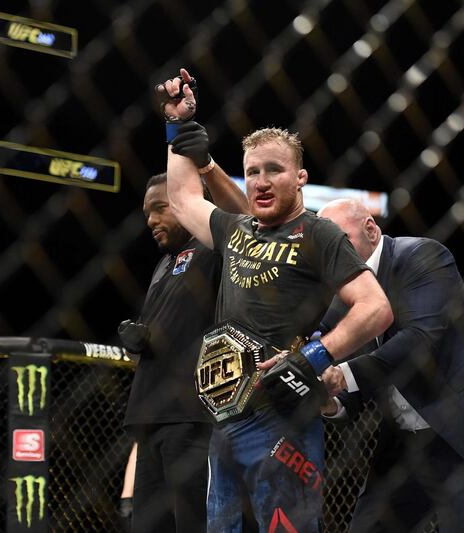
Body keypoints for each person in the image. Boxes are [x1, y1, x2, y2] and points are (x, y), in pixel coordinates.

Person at [162, 71, 393, 532]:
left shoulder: (318, 233)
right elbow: (183, 197)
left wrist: (312, 358)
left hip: (282, 416)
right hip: (227, 414)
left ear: (300, 176)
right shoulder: (235, 230)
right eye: (252, 172)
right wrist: (176, 126)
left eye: (274, 169)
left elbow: (375, 306)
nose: (261, 182)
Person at [316, 198, 464, 533]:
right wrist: (328, 400)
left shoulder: (422, 257)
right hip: (404, 444)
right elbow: (323, 346)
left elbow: (419, 340)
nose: (335, 255)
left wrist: (343, 375)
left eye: (341, 241)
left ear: (370, 228)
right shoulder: (344, 294)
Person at [118, 70, 250, 533]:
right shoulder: (163, 265)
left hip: (195, 416)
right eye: (146, 212)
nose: (152, 219)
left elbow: (245, 219)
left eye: (160, 207)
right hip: (151, 416)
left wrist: (183, 139)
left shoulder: (213, 248)